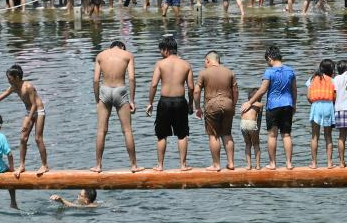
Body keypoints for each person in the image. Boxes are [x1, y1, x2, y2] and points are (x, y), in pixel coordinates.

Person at [0, 63, 49, 177]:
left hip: (38, 111)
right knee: (23, 138)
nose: (8, 81)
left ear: (17, 77)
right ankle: (22, 166)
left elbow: (34, 105)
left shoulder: (28, 86)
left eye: (9, 78)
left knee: (38, 138)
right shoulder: (14, 87)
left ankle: (44, 165)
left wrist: (28, 121)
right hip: (29, 111)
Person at [243, 46, 297, 169]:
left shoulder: (269, 72)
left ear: (270, 58)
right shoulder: (290, 71)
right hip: (287, 104)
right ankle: (289, 163)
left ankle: (272, 163)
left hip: (273, 106)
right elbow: (294, 89)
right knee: (286, 135)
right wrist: (294, 104)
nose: (267, 63)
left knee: (272, 135)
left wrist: (250, 102)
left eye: (267, 60)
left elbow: (262, 90)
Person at [146, 35, 194, 171]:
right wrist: (191, 104)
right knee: (182, 134)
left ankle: (160, 165)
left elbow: (154, 85)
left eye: (161, 50)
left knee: (161, 135)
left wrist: (150, 102)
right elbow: (191, 87)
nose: (160, 53)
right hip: (180, 101)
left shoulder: (160, 64)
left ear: (166, 50)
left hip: (165, 102)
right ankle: (183, 165)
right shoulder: (186, 65)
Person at [92, 40, 142, 173]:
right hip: (120, 90)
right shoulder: (128, 55)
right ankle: (134, 165)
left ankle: (98, 166)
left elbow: (96, 80)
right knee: (127, 131)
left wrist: (97, 100)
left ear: (110, 47)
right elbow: (132, 78)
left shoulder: (100, 55)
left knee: (101, 131)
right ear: (122, 47)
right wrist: (132, 100)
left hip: (105, 90)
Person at [194, 50, 239, 171]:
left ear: (208, 60)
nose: (205, 65)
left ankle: (216, 164)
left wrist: (197, 108)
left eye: (205, 62)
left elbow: (196, 91)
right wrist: (233, 105)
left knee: (213, 135)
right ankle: (231, 163)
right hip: (228, 103)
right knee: (227, 133)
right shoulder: (229, 72)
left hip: (212, 105)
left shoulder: (204, 73)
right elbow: (235, 91)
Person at [306, 59, 337, 169]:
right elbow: (334, 97)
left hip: (316, 106)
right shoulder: (332, 80)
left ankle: (314, 163)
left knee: (315, 136)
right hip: (328, 106)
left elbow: (308, 96)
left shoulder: (312, 79)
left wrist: (314, 103)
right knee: (328, 136)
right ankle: (329, 163)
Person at [239, 87, 263, 170]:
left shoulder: (244, 104)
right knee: (256, 144)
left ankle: (248, 165)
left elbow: (241, 115)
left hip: (243, 124)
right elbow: (259, 119)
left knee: (248, 144)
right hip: (251, 123)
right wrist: (258, 129)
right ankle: (258, 165)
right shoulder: (260, 105)